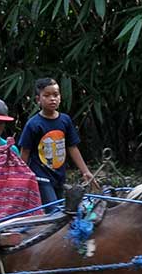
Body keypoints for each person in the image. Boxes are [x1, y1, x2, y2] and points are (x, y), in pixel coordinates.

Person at [18, 77, 94, 205]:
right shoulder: (34, 124)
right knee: (53, 210)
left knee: (60, 209)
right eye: (47, 95)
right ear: (38, 100)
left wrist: (85, 171)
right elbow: (25, 151)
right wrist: (22, 177)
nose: (52, 99)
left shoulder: (65, 120)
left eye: (55, 95)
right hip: (41, 175)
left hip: (59, 175)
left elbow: (72, 147)